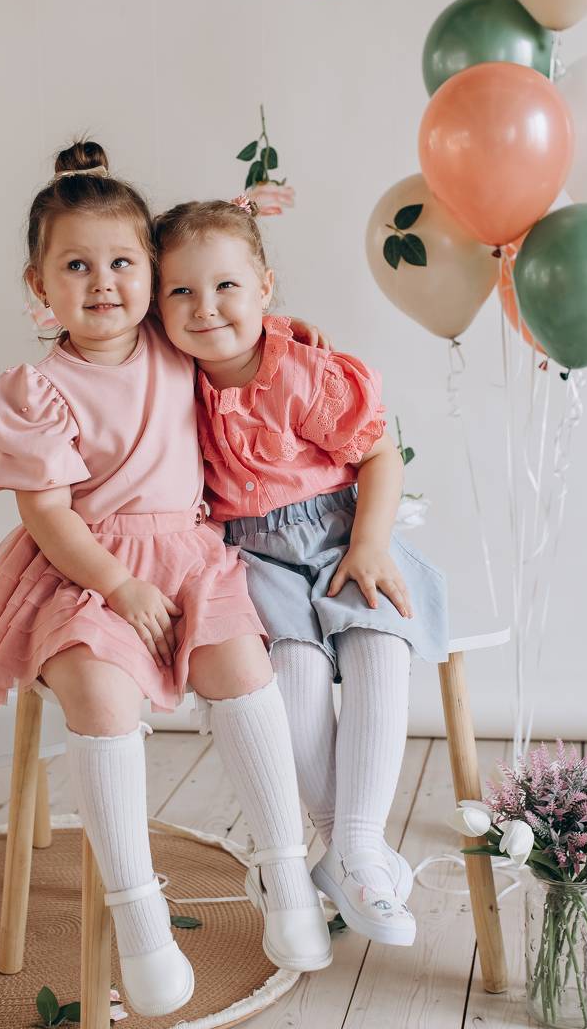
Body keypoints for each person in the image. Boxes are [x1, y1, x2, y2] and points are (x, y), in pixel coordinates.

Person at [0, 144, 331, 1017]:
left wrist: (292, 335)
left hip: (189, 555)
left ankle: (285, 871)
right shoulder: (37, 388)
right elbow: (47, 514)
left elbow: (240, 329)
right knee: (98, 694)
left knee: (243, 667)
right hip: (87, 568)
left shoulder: (174, 342)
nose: (102, 283)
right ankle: (138, 914)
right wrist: (118, 587)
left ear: (153, 276)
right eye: (75, 267)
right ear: (39, 285)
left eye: (123, 263)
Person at [155, 196, 449, 946]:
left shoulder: (302, 372)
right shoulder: (170, 382)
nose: (205, 307)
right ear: (156, 306)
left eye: (225, 285)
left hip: (341, 532)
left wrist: (369, 544)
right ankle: (346, 851)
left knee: (378, 639)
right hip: (252, 555)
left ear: (264, 286)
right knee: (295, 670)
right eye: (180, 290)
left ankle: (355, 844)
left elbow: (379, 454)